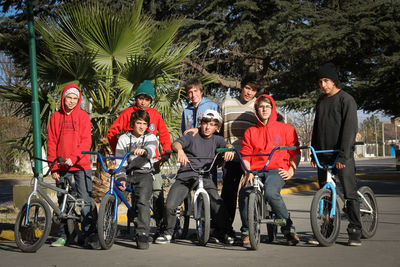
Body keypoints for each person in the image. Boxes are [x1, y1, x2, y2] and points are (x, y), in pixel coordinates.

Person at [155, 110, 235, 245]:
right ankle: (168, 232)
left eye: (212, 124)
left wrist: (229, 149)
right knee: (170, 205)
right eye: (205, 123)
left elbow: (227, 145)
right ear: (200, 123)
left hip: (205, 176)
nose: (208, 127)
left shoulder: (217, 139)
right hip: (186, 175)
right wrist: (180, 150)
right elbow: (176, 144)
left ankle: (226, 232)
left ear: (216, 127)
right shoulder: (192, 135)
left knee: (218, 204)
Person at [107, 80, 171, 229]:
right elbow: (112, 133)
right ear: (136, 98)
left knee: (156, 192)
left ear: (151, 101)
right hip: (129, 162)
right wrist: (119, 153)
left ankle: (161, 225)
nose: (143, 102)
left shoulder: (155, 114)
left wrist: (166, 152)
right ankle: (115, 223)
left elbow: (164, 134)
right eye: (141, 98)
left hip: (151, 162)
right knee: (122, 190)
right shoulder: (127, 113)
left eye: (147, 99)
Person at [239, 94, 301, 247]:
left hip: (276, 171)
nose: (264, 109)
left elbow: (296, 152)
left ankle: (288, 228)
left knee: (271, 192)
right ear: (256, 110)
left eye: (268, 106)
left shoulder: (286, 129)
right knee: (244, 192)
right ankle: (247, 230)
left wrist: (291, 170)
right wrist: (247, 172)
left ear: (272, 109)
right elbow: (245, 155)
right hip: (255, 171)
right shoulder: (250, 132)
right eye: (261, 106)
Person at [310, 62, 362, 246]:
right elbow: (316, 128)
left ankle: (355, 229)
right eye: (320, 82)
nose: (323, 85)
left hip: (342, 155)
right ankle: (326, 231)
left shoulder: (346, 99)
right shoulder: (321, 101)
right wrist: (313, 153)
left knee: (349, 194)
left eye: (326, 80)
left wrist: (343, 156)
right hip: (323, 154)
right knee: (325, 194)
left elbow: (350, 130)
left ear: (334, 81)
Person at [47, 82, 95, 247]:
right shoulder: (55, 117)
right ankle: (63, 236)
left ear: (79, 99)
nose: (72, 101)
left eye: (75, 98)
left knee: (84, 201)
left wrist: (74, 158)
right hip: (61, 166)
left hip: (81, 166)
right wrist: (53, 167)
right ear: (63, 98)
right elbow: (52, 143)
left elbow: (85, 142)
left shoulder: (83, 116)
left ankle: (88, 235)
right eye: (69, 97)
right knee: (62, 202)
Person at [220, 73, 261, 240]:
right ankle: (226, 229)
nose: (249, 93)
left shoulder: (258, 106)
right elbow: (217, 128)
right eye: (247, 88)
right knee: (228, 194)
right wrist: (225, 145)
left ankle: (248, 230)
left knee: (248, 193)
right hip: (230, 155)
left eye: (253, 90)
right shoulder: (227, 104)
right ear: (242, 86)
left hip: (250, 158)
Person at [115, 109, 158, 249]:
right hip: (127, 174)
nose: (141, 126)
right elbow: (119, 162)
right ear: (132, 123)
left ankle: (142, 234)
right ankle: (105, 229)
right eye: (138, 123)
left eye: (144, 123)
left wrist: (144, 151)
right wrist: (121, 178)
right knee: (114, 197)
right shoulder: (123, 139)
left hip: (144, 173)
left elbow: (150, 150)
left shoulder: (151, 137)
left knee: (142, 201)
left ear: (147, 125)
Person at [181, 78, 220, 186]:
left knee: (209, 186)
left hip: (208, 152)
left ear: (201, 91)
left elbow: (217, 129)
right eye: (190, 92)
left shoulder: (212, 106)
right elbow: (183, 132)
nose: (193, 95)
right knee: (187, 185)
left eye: (195, 91)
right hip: (191, 154)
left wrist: (198, 129)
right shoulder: (186, 111)